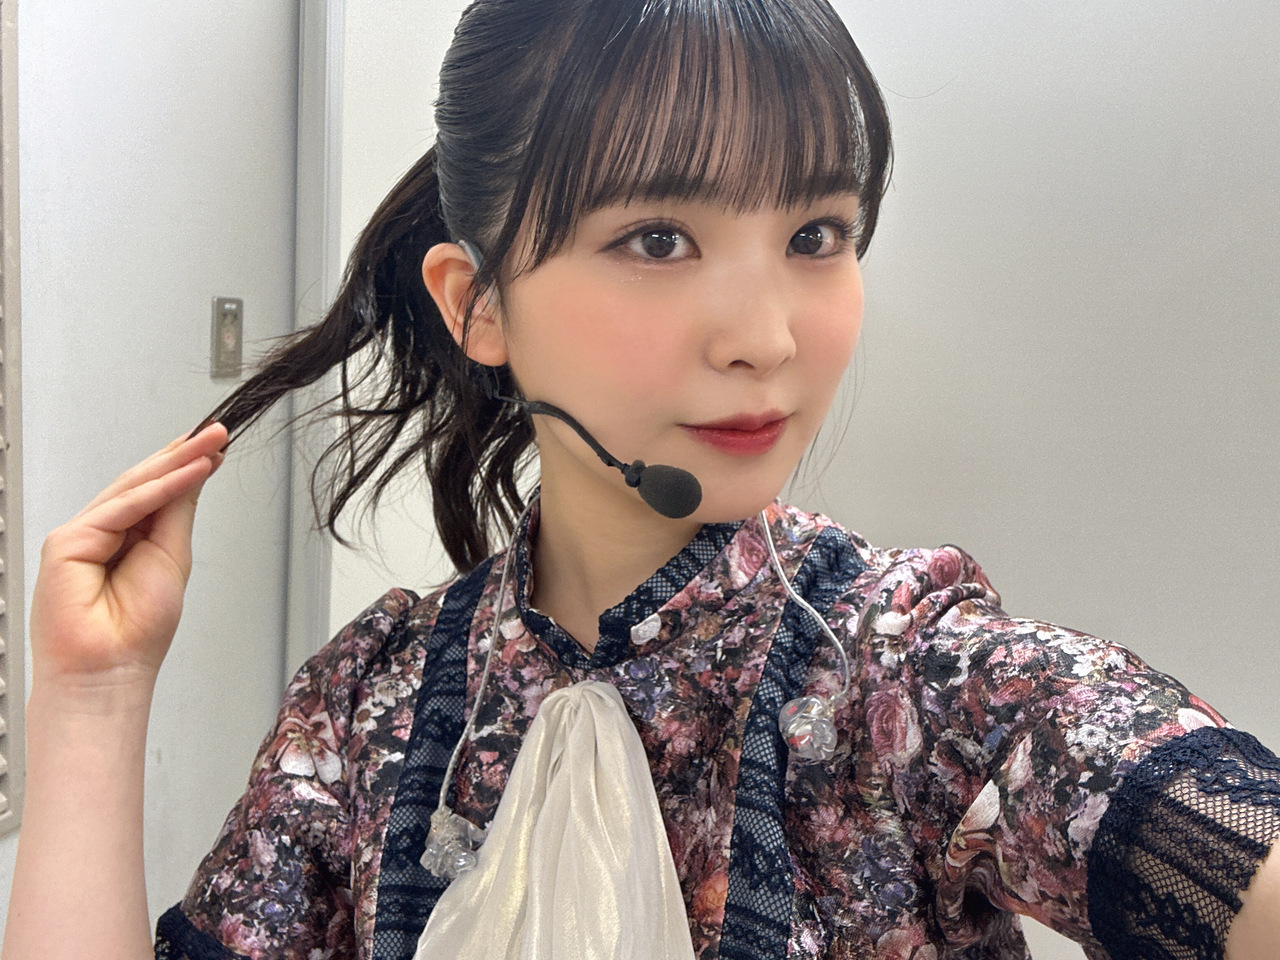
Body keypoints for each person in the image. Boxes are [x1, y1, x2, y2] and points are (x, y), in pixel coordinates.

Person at [6, 0, 1280, 958]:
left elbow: (1167, 802)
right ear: (478, 305)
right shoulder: (368, 706)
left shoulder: (912, 677)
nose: (764, 337)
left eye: (815, 234)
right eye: (658, 239)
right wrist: (92, 696)